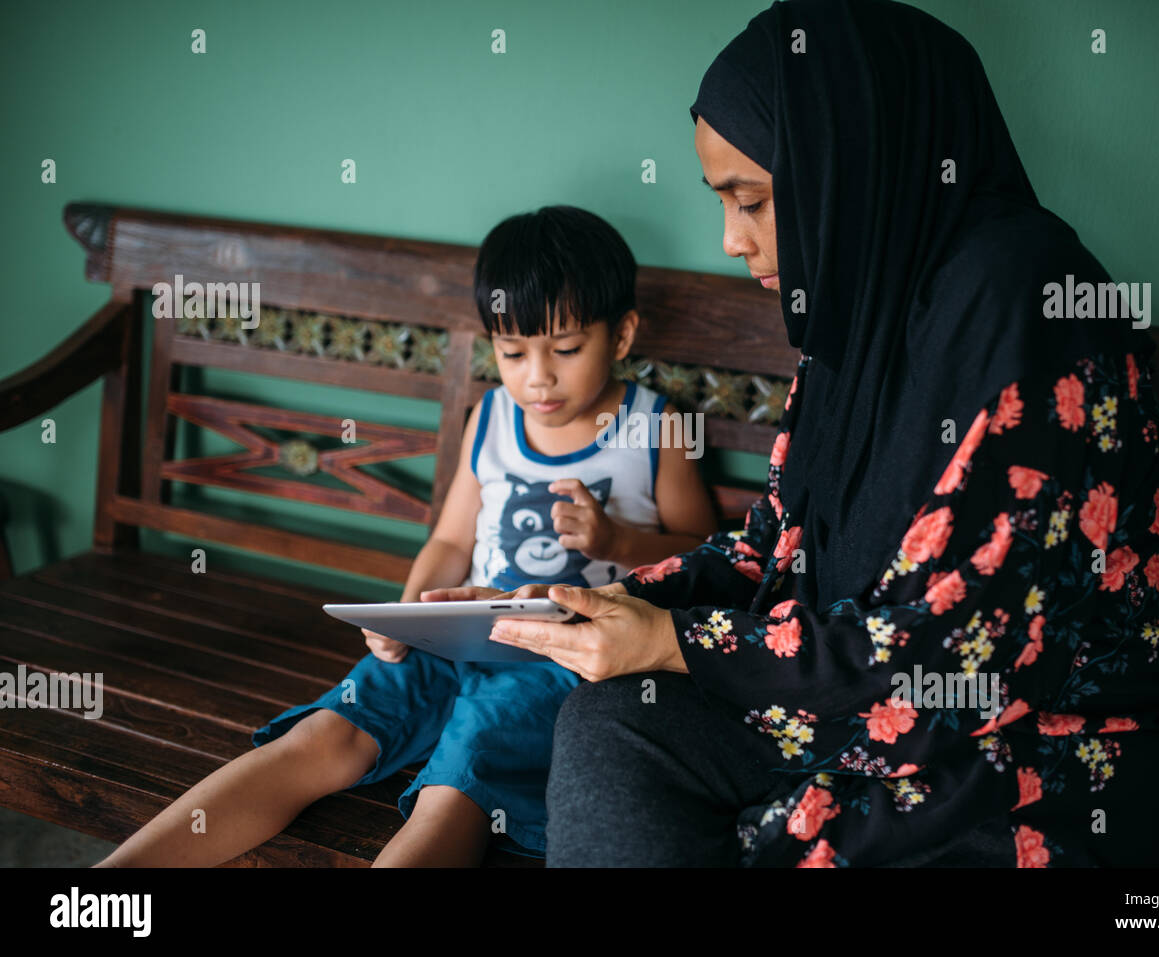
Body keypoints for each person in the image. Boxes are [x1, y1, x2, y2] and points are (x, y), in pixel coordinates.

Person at [488, 0, 1159, 867]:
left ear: (848, 169)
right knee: (618, 718)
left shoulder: (1030, 305)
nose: (730, 240)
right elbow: (774, 544)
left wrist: (677, 641)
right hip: (840, 703)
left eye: (751, 200)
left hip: (1012, 753)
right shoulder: (858, 306)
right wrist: (577, 607)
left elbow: (963, 656)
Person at [97, 205, 716, 867]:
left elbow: (707, 559)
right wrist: (405, 614)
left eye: (565, 349)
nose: (537, 375)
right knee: (321, 740)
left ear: (621, 336)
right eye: (512, 351)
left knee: (459, 779)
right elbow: (450, 541)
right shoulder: (493, 418)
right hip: (454, 634)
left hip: (558, 658)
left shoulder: (654, 427)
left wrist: (618, 540)